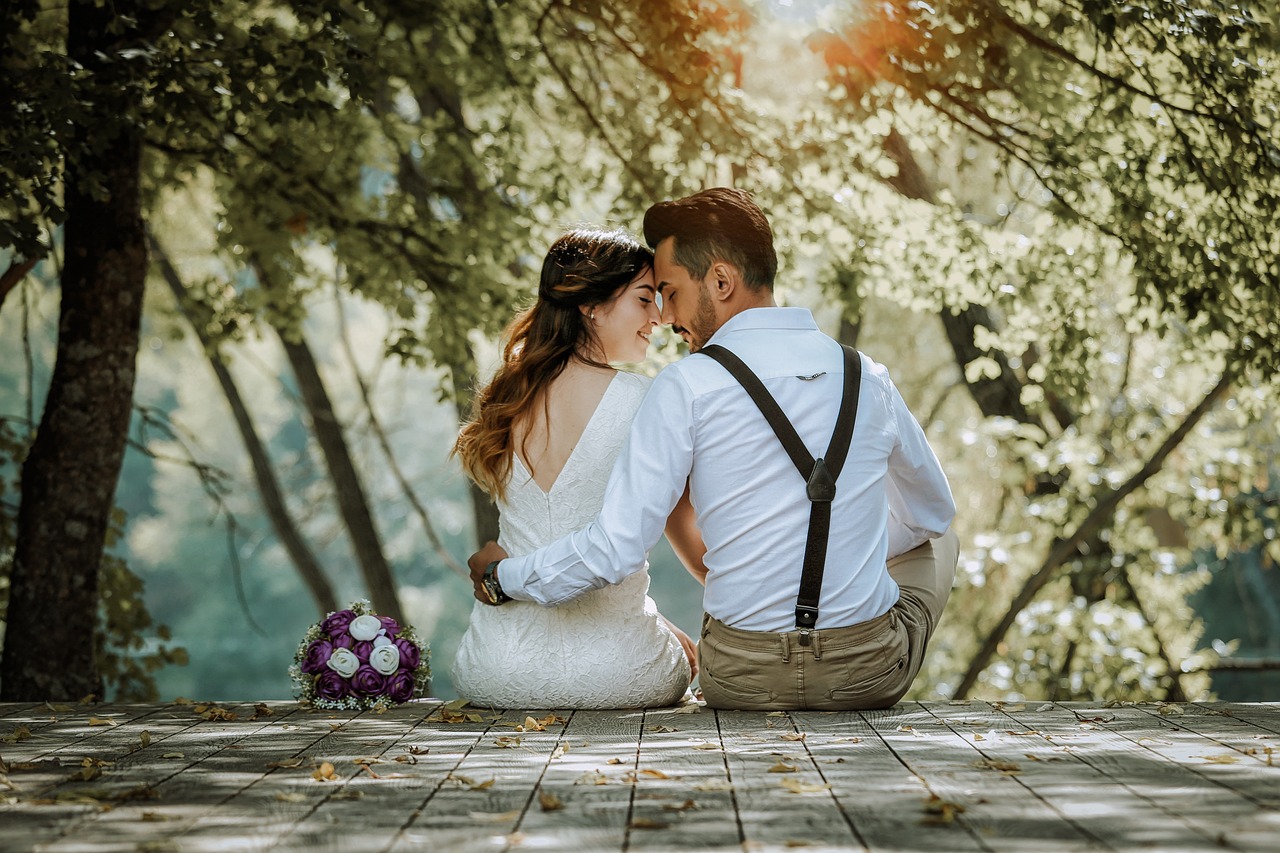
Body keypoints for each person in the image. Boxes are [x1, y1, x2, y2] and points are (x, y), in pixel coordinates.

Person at [468, 188, 959, 711]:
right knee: (939, 536)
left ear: (720, 281)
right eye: (651, 296)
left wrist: (504, 577)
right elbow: (931, 513)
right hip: (866, 674)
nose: (665, 315)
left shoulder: (684, 386)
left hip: (739, 679)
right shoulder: (869, 377)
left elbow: (615, 548)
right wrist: (846, 551)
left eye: (670, 292)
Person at [451, 227, 698, 710]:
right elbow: (687, 548)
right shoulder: (647, 399)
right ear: (590, 304)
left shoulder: (505, 399)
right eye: (644, 299)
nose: (660, 317)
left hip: (496, 670)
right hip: (621, 673)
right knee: (687, 659)